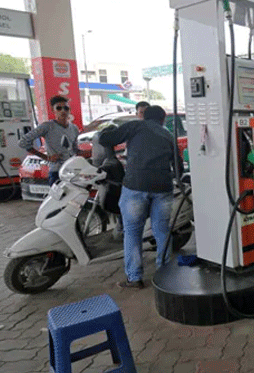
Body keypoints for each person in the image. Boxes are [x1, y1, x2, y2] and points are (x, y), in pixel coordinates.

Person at [99, 105, 180, 289]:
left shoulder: (135, 126)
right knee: (162, 230)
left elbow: (106, 139)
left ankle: (134, 278)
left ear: (145, 117)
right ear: (162, 119)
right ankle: (164, 275)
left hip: (136, 185)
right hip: (163, 187)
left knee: (133, 232)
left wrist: (109, 129)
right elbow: (178, 166)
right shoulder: (168, 135)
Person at [18, 95, 79, 186]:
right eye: (59, 108)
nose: (63, 111)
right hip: (56, 172)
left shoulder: (74, 128)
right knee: (57, 199)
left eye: (66, 108)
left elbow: (75, 150)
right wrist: (46, 157)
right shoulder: (47, 126)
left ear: (69, 110)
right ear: (53, 110)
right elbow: (23, 142)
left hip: (72, 172)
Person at [92, 101, 150, 167]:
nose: (144, 115)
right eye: (141, 112)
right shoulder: (159, 129)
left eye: (146, 112)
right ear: (137, 114)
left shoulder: (133, 127)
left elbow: (104, 139)